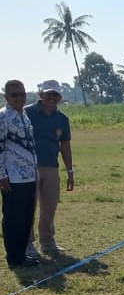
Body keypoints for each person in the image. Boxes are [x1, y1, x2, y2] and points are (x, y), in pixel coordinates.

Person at [24, 80, 74, 258]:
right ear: (41, 95)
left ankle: (48, 242)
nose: (52, 98)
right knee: (29, 206)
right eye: (49, 94)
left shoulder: (62, 119)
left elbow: (65, 146)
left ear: (60, 98)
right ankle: (27, 243)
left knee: (50, 207)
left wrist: (70, 171)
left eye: (56, 95)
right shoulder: (27, 113)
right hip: (29, 167)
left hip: (52, 167)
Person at [0, 80, 39, 268]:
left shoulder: (24, 115)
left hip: (29, 176)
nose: (19, 98)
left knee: (26, 217)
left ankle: (22, 254)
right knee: (13, 218)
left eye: (22, 94)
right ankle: (14, 257)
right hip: (13, 177)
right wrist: (1, 174)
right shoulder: (3, 117)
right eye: (14, 95)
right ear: (6, 96)